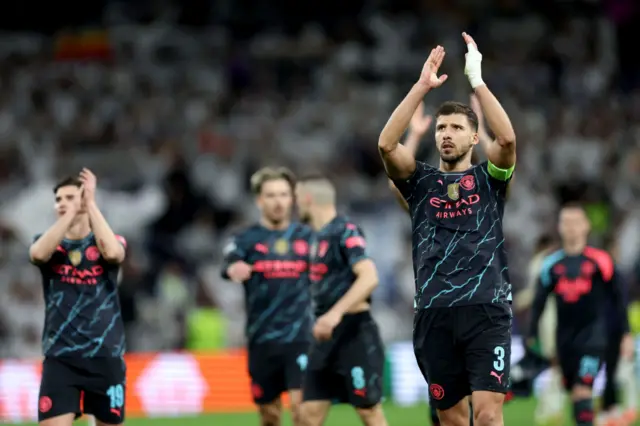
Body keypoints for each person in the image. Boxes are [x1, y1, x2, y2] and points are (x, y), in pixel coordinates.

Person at [378, 33, 516, 426]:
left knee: (488, 416)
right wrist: (421, 87)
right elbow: (387, 146)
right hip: (434, 313)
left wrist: (477, 80)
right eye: (441, 128)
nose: (446, 134)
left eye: (455, 127)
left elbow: (506, 138)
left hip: (486, 309)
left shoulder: (490, 181)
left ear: (473, 137)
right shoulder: (420, 184)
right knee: (452, 420)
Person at [29, 170, 128, 426]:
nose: (61, 203)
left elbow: (115, 254)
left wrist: (91, 205)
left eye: (69, 198)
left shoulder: (108, 240)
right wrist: (72, 212)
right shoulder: (49, 244)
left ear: (84, 201)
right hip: (61, 358)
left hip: (105, 355)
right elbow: (37, 254)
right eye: (58, 199)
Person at [221, 167, 313, 426]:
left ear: (292, 198)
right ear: (259, 200)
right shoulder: (245, 239)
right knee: (270, 417)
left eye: (284, 194)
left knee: (301, 410)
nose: (278, 201)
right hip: (262, 339)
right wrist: (233, 269)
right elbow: (228, 264)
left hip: (300, 337)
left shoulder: (307, 237)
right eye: (271, 195)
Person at [528, 204, 633, 426]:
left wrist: (625, 334)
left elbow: (618, 299)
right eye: (566, 222)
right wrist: (531, 336)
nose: (571, 227)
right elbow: (538, 304)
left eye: (576, 222)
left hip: (593, 338)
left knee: (583, 391)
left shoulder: (601, 261)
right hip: (564, 341)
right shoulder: (551, 265)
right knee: (575, 396)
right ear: (559, 227)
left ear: (586, 226)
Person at [295, 175, 388, 426]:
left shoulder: (345, 230)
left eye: (297, 199)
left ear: (307, 199)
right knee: (306, 416)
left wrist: (335, 314)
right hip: (325, 338)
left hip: (354, 332)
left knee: (369, 412)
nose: (296, 206)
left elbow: (369, 277)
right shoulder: (315, 238)